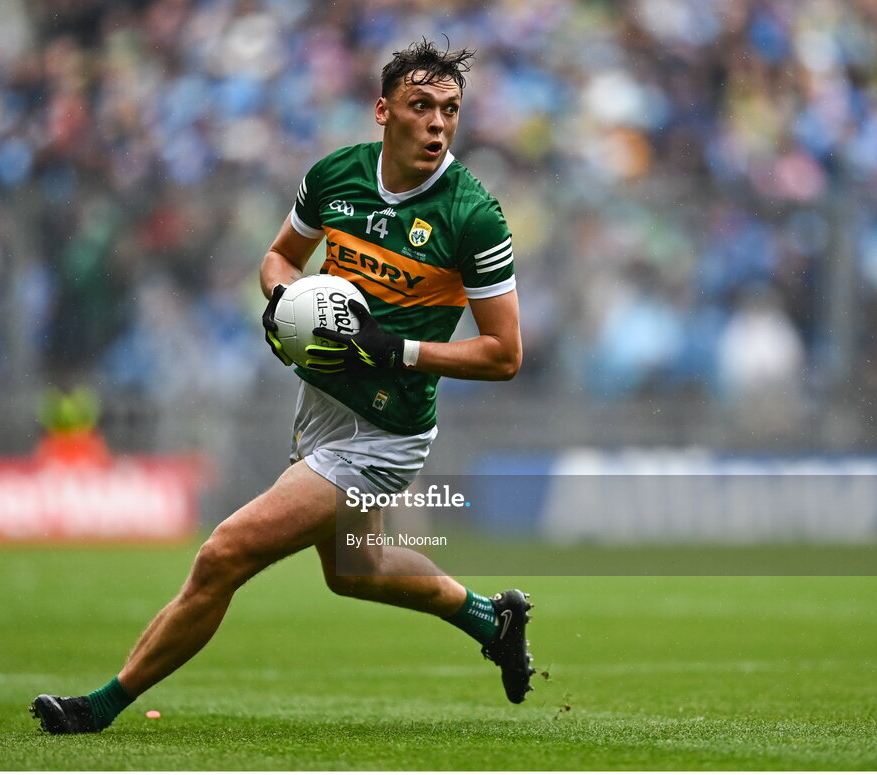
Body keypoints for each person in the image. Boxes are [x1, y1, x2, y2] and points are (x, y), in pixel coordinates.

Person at [30, 39, 532, 735]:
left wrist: (399, 349)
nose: (439, 123)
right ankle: (491, 617)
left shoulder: (472, 215)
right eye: (421, 106)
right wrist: (280, 303)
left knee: (224, 553)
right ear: (384, 111)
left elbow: (505, 353)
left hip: (381, 432)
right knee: (355, 568)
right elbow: (278, 259)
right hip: (321, 405)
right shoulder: (334, 177)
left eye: (450, 109)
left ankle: (100, 705)